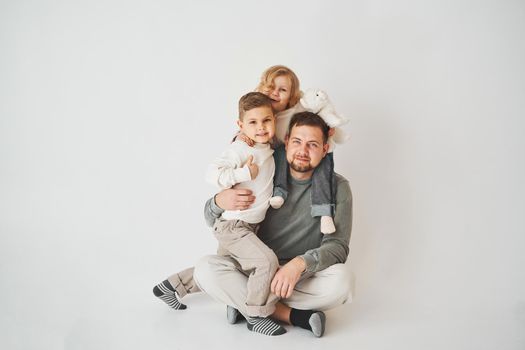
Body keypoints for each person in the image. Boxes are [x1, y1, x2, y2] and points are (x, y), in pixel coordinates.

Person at [193, 112, 353, 337]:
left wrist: (298, 265)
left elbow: (338, 246)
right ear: (286, 142)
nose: (303, 151)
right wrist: (218, 201)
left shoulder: (338, 187)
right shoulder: (266, 172)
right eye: (297, 142)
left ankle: (246, 305)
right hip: (254, 271)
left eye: (312, 144)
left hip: (298, 278)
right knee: (206, 269)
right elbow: (212, 221)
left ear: (325, 149)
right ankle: (289, 315)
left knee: (342, 281)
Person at [154, 92, 286, 336]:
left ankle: (171, 286)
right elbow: (212, 173)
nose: (261, 128)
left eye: (266, 121)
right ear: (240, 125)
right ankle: (256, 316)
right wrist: (243, 175)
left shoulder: (268, 146)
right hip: (234, 226)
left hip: (249, 226)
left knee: (227, 268)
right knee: (267, 262)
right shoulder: (239, 148)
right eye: (253, 123)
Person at [241, 65, 338, 234]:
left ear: (291, 96)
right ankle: (280, 191)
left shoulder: (297, 110)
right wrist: (242, 135)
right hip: (275, 157)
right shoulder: (256, 112)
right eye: (270, 87)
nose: (275, 93)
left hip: (291, 153)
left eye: (282, 90)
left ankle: (324, 211)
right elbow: (244, 126)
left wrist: (329, 126)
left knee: (325, 160)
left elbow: (318, 115)